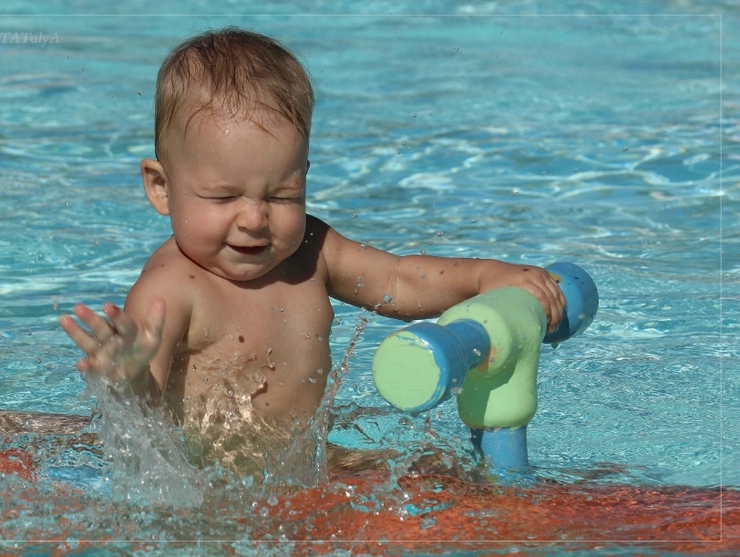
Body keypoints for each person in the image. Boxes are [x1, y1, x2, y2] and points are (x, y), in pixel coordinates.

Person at [60, 28, 565, 473]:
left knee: (436, 472)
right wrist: (125, 380)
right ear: (161, 187)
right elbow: (139, 433)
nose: (255, 218)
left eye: (282, 196)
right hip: (210, 493)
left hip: (306, 466)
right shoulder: (171, 290)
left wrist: (486, 278)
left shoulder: (310, 250)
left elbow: (397, 281)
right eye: (223, 196)